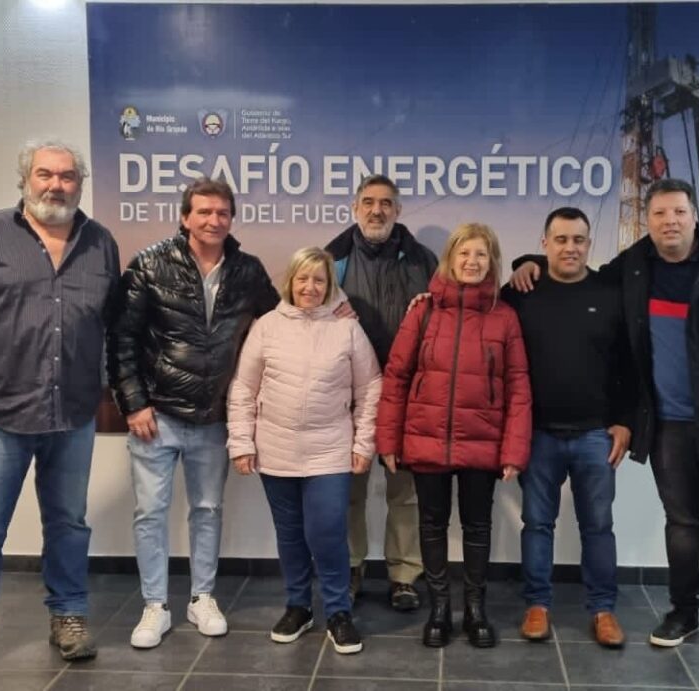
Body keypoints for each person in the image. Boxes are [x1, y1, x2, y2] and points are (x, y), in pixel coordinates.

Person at [511, 179, 699, 670]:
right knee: (682, 525)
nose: (670, 221)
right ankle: (683, 614)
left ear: (693, 216)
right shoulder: (635, 267)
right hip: (668, 427)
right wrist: (525, 264)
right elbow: (571, 270)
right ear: (648, 220)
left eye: (678, 212)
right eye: (660, 213)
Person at [0, 139, 118, 689]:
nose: (56, 185)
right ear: (26, 180)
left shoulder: (100, 243)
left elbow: (106, 321)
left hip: (73, 411)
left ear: (80, 184)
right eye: (45, 174)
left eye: (67, 176)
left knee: (69, 524)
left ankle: (68, 616)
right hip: (1, 412)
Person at [105, 177, 280, 649]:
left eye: (222, 212)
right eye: (203, 212)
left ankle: (202, 597)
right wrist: (133, 403)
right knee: (150, 513)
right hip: (156, 418)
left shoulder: (247, 271)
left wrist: (334, 311)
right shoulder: (149, 264)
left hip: (214, 418)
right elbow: (121, 339)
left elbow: (278, 325)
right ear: (185, 217)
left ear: (232, 218)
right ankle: (155, 605)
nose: (213, 220)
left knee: (208, 510)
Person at [376, 222, 532, 649]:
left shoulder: (504, 316)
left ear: (492, 261)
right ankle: (439, 609)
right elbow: (396, 377)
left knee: (478, 527)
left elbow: (518, 386)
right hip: (426, 439)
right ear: (449, 259)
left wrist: (514, 449)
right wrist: (387, 441)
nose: (472, 261)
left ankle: (475, 610)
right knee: (431, 525)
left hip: (483, 442)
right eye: (464, 253)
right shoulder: (422, 311)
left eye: (481, 254)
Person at [227, 246, 383, 655]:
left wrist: (363, 443)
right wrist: (241, 442)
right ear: (290, 281)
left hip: (330, 450)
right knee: (291, 534)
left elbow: (371, 387)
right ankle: (298, 606)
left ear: (329, 286)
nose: (310, 287)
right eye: (303, 278)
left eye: (319, 280)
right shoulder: (266, 326)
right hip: (275, 450)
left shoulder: (347, 329)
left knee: (327, 531)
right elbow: (244, 387)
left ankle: (338, 612)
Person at [500, 207, 634, 648]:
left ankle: (603, 610)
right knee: (537, 523)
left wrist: (625, 421)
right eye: (560, 239)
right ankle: (537, 605)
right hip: (538, 433)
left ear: (589, 244)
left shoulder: (610, 295)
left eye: (578, 240)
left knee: (598, 526)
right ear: (544, 244)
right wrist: (523, 265)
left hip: (596, 434)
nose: (570, 248)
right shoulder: (521, 292)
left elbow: (628, 364)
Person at [324, 174, 437, 609]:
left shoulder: (423, 260)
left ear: (398, 210)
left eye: (386, 203)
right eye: (369, 202)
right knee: (349, 491)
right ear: (355, 208)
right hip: (347, 397)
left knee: (404, 492)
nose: (377, 210)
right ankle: (351, 567)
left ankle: (404, 574)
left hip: (406, 396)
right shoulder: (331, 258)